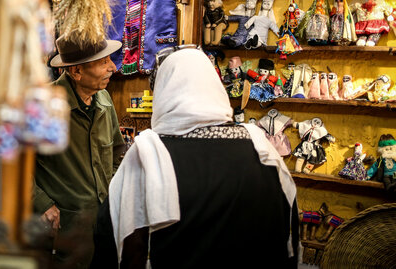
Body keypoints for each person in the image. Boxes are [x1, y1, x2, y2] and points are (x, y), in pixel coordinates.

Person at [91, 47, 298, 268]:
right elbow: (288, 231)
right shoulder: (263, 151)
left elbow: (113, 237)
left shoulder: (148, 156)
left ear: (163, 93)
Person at [34, 35, 126, 268]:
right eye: (103, 61)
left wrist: (111, 189)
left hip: (104, 226)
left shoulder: (104, 99)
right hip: (66, 231)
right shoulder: (44, 105)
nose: (112, 67)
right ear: (76, 72)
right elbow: (12, 163)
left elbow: (117, 151)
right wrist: (41, 202)